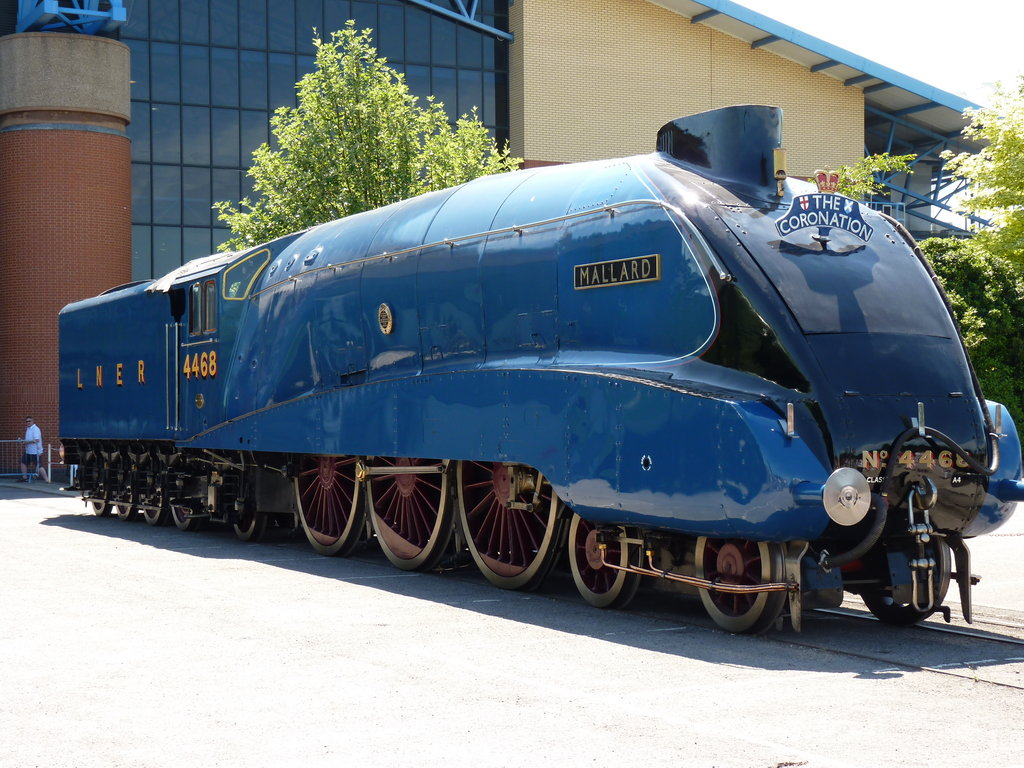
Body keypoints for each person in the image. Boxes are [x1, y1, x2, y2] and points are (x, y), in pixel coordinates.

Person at [20, 416, 48, 483]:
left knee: (38, 465)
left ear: (33, 421)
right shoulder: (28, 429)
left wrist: (25, 442)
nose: (28, 422)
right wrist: (24, 441)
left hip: (35, 451)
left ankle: (47, 479)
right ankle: (24, 477)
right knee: (23, 463)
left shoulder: (35, 429)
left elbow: (36, 440)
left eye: (29, 421)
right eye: (27, 421)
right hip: (28, 451)